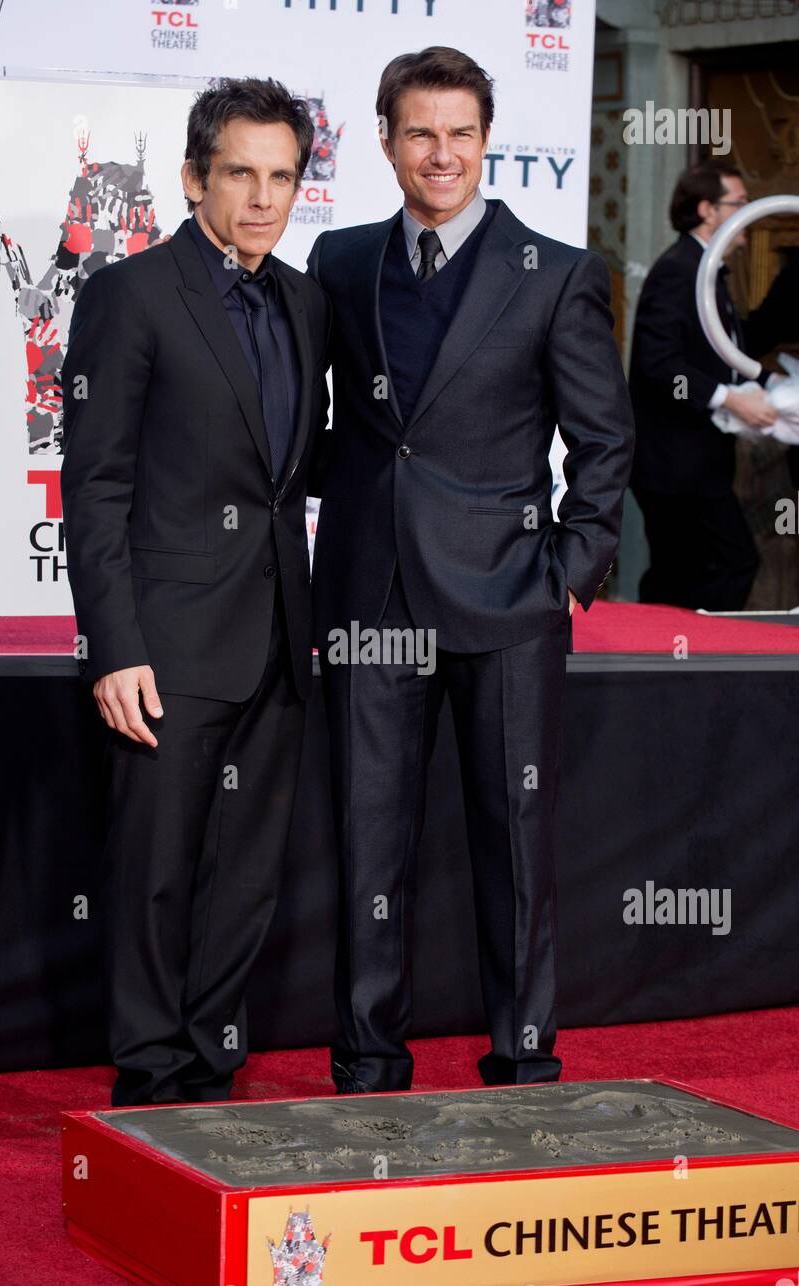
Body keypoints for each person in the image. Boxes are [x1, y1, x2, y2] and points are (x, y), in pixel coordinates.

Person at [307, 46, 634, 1095]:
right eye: (419, 133)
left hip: (507, 597)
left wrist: (568, 573)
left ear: (486, 140)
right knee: (367, 846)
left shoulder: (557, 272)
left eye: (458, 133)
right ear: (386, 141)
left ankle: (523, 1057)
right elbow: (325, 426)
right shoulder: (340, 260)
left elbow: (602, 442)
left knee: (516, 843)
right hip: (370, 596)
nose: (439, 154)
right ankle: (367, 1063)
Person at [61, 77, 330, 1106]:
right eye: (239, 174)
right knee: (155, 872)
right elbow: (96, 484)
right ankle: (148, 1077)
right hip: (166, 645)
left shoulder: (304, 300)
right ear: (191, 178)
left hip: (278, 638)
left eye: (281, 177)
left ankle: (210, 1071)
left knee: (244, 878)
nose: (262, 198)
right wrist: (114, 645)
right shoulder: (130, 295)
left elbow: (291, 469)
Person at [629, 158, 777, 611]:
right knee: (724, 563)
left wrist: (772, 384)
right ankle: (684, 649)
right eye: (739, 203)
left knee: (682, 574)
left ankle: (669, 648)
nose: (748, 213)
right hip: (674, 463)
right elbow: (659, 365)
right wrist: (731, 399)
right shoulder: (680, 269)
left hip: (696, 462)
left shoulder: (707, 270)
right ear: (707, 210)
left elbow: (724, 353)